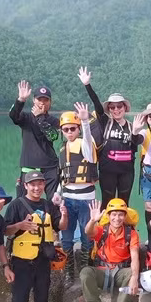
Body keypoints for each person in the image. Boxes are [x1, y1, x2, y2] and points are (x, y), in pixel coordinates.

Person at [1, 171, 68, 302]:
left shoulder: (48, 205)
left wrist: (63, 215)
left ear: (44, 185)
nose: (36, 188)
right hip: (22, 260)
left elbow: (60, 226)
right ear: (25, 186)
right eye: (32, 184)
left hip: (43, 259)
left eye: (39, 184)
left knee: (42, 295)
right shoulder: (16, 205)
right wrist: (20, 226)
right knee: (20, 299)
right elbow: (5, 230)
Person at [78, 67, 142, 207]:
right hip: (107, 171)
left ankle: (125, 229)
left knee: (124, 203)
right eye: (112, 107)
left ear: (125, 108)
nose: (116, 109)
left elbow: (134, 147)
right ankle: (104, 228)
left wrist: (136, 132)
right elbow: (97, 105)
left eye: (119, 106)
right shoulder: (105, 122)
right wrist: (87, 85)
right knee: (107, 202)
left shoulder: (132, 126)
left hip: (126, 172)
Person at [79, 198, 141, 302]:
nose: (117, 218)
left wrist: (134, 277)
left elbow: (135, 257)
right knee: (85, 272)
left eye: (120, 215)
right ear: (108, 215)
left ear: (125, 216)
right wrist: (92, 220)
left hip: (120, 273)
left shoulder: (131, 234)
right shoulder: (102, 231)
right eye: (113, 214)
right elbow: (88, 232)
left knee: (132, 273)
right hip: (102, 271)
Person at [58, 102, 99, 283]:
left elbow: (89, 146)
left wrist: (84, 122)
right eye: (66, 129)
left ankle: (86, 269)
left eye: (72, 129)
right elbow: (63, 175)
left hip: (85, 200)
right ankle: (69, 272)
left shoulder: (85, 144)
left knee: (86, 236)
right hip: (67, 198)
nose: (69, 132)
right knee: (66, 238)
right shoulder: (62, 150)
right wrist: (57, 194)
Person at [10, 80, 61, 200]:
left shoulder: (54, 121)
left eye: (46, 100)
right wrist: (21, 100)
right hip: (29, 166)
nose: (42, 103)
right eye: (39, 100)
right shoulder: (26, 118)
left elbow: (53, 136)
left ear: (50, 102)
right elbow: (13, 116)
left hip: (50, 168)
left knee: (53, 202)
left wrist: (40, 117)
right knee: (23, 202)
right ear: (34, 101)